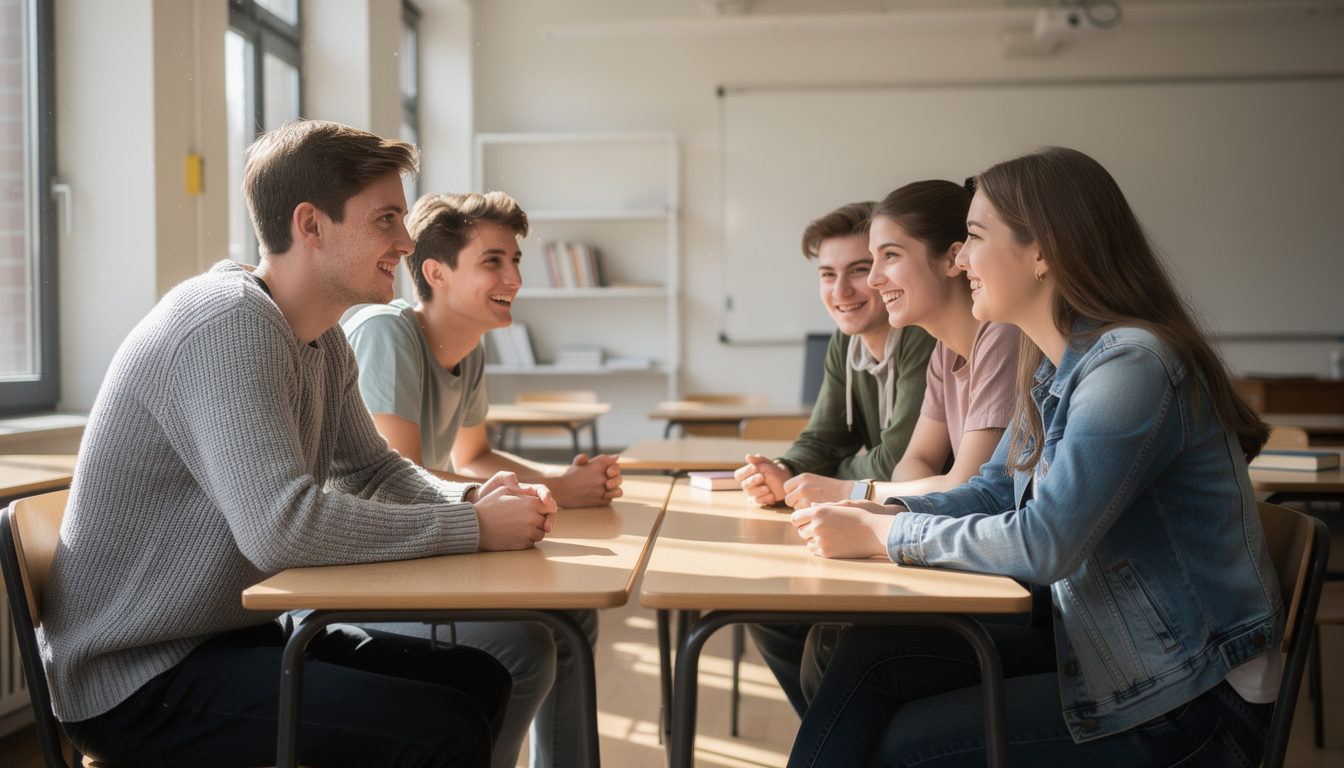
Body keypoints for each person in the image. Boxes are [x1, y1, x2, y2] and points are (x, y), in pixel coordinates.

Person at [38, 120, 558, 768]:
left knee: (483, 681)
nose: (407, 238)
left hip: (231, 640)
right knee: (440, 728)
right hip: (139, 679)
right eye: (387, 219)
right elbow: (280, 529)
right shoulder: (227, 323)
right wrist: (470, 527)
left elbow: (370, 468)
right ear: (311, 225)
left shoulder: (320, 338)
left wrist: (470, 495)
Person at [788, 146, 1281, 767]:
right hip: (1107, 647)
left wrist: (891, 536)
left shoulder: (1131, 365)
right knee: (866, 653)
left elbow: (1046, 543)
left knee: (892, 748)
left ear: (1043, 252)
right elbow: (995, 491)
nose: (959, 258)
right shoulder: (1050, 364)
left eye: (971, 237)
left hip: (1189, 696)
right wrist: (876, 519)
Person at [342, 190, 617, 768]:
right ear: (436, 272)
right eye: (493, 260)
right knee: (528, 644)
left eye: (514, 260)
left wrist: (558, 480)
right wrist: (553, 493)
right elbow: (401, 473)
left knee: (573, 615)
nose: (514, 276)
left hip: (421, 550)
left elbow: (474, 456)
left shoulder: (470, 345)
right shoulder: (387, 332)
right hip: (358, 568)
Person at [732, 201, 936, 715]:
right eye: (827, 274)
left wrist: (814, 481)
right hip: (877, 518)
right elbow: (823, 439)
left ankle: (839, 741)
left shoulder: (920, 337)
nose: (840, 292)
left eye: (859, 271)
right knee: (768, 613)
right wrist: (783, 470)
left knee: (825, 642)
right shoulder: (845, 346)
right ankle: (834, 739)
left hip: (921, 526)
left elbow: (894, 461)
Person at [780, 180, 1021, 512]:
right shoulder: (945, 351)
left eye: (889, 256)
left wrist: (850, 491)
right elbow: (913, 463)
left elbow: (965, 486)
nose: (874, 280)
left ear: (953, 260)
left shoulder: (1003, 334)